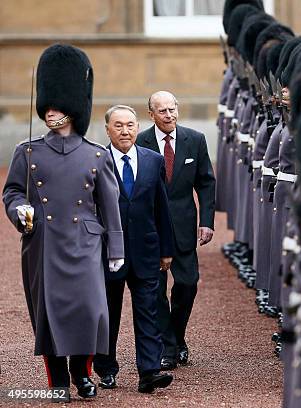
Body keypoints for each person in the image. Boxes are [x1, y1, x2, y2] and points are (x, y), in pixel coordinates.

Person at [2, 44, 124, 400]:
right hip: (44, 241)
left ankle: (81, 372)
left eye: (57, 106)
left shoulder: (96, 155)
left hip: (84, 242)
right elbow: (12, 192)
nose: (51, 112)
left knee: (89, 310)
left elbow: (110, 204)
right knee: (49, 312)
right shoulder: (28, 152)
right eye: (48, 106)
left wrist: (115, 246)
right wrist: (19, 211)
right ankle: (56, 379)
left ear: (73, 108)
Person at [92, 105, 174, 393]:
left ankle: (149, 372)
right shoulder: (96, 160)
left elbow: (161, 207)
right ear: (107, 129)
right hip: (107, 253)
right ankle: (106, 369)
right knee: (107, 313)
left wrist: (167, 248)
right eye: (118, 126)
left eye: (130, 125)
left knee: (149, 311)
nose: (125, 131)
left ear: (137, 127)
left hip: (146, 251)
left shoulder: (152, 160)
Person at [136, 91, 216, 370]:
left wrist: (207, 220)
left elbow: (206, 182)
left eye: (172, 110)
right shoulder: (139, 142)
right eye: (163, 111)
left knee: (187, 283)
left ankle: (176, 336)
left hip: (183, 226)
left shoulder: (195, 139)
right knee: (155, 290)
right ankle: (169, 348)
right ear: (151, 114)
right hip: (151, 228)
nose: (169, 115)